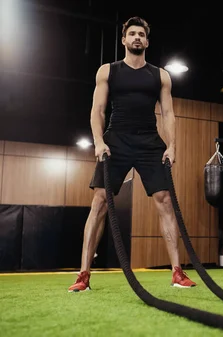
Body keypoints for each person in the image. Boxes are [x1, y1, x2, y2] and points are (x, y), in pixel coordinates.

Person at [68, 16, 196, 292]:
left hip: (150, 141)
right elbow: (98, 111)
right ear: (124, 40)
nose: (137, 37)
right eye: (132, 34)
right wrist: (99, 142)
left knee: (164, 201)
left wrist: (171, 146)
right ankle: (83, 275)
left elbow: (168, 113)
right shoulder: (108, 71)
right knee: (100, 202)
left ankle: (177, 272)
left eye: (141, 34)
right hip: (116, 140)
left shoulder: (160, 75)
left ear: (147, 42)